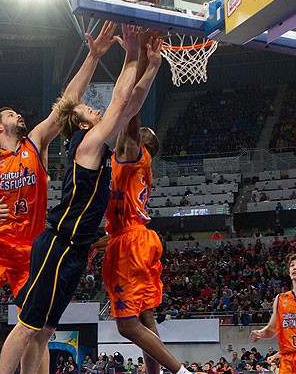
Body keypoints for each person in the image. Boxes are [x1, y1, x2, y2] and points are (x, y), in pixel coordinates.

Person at [0, 21, 119, 374]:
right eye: (11, 114)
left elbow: (67, 103)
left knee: (38, 328)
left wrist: (93, 55)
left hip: (33, 247)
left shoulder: (35, 143)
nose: (18, 115)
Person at [0, 24, 162, 374]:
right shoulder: (85, 145)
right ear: (81, 124)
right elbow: (119, 102)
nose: (95, 109)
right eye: (89, 109)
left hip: (74, 251)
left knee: (43, 332)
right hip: (59, 244)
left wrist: (152, 67)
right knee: (28, 325)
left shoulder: (95, 147)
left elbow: (129, 106)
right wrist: (131, 54)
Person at [95, 63, 188, 374]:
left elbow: (130, 107)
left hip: (132, 246)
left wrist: (139, 65)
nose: (132, 132)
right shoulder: (130, 162)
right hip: (136, 237)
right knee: (147, 319)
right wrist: (101, 241)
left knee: (126, 327)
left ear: (144, 145)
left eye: (138, 134)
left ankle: (182, 372)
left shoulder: (133, 154)